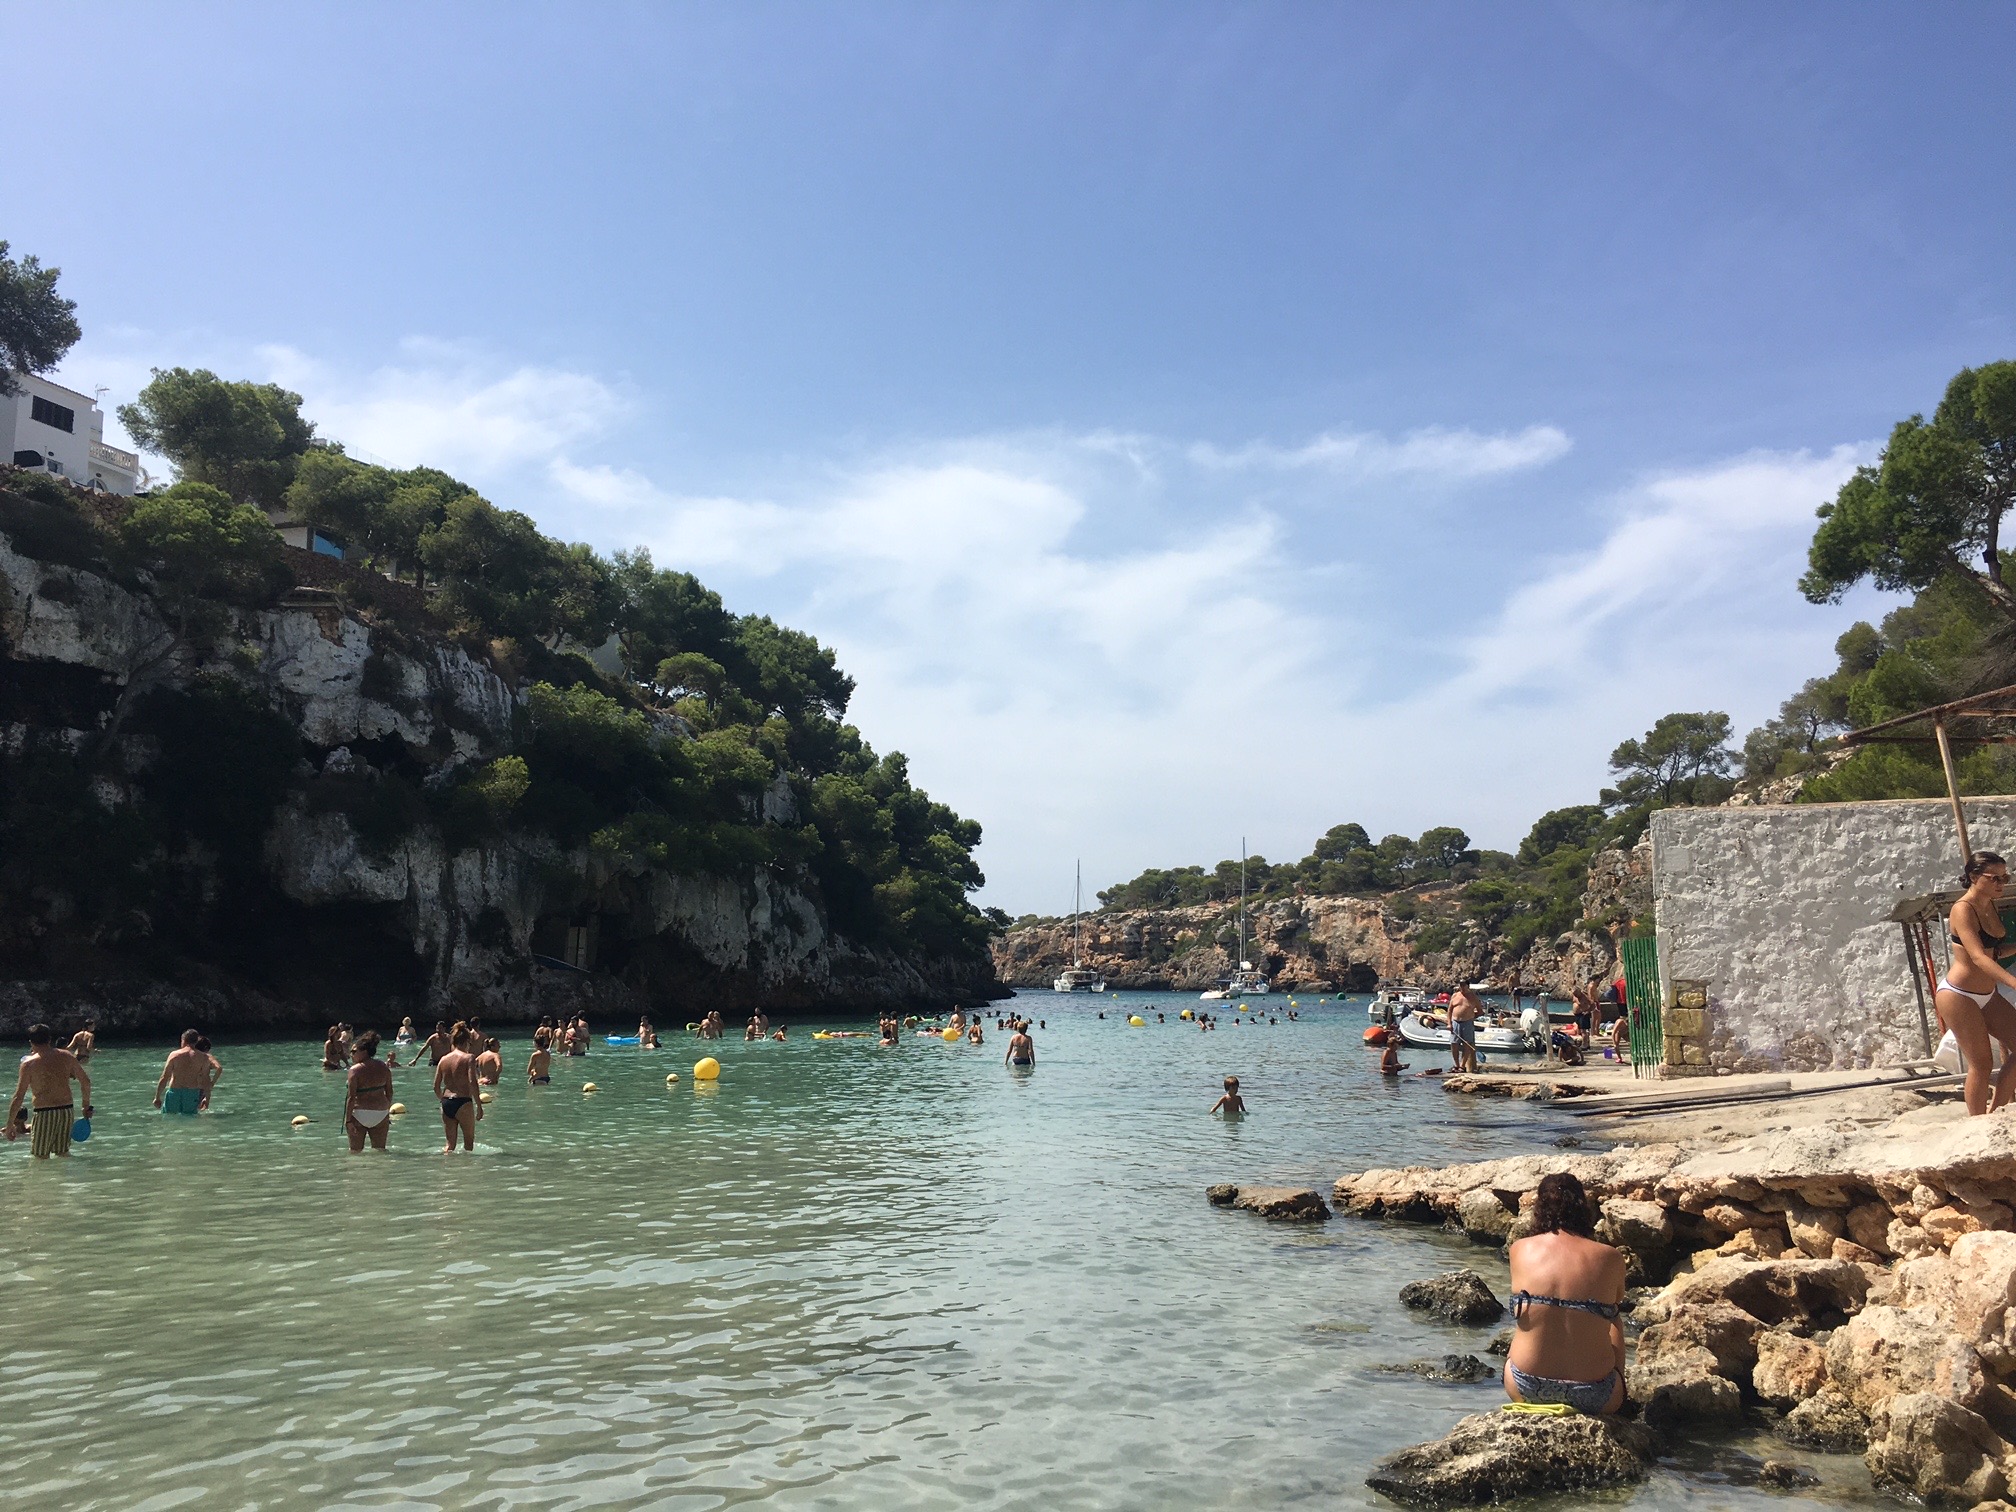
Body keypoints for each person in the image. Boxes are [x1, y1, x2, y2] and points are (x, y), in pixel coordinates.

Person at [1503, 1172, 1627, 1414]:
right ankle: (1620, 1389)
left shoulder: (1519, 1249)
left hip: (1525, 1386)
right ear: (1583, 1209)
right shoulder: (1610, 1256)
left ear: (1539, 1208)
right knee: (1613, 1318)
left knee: (1526, 1313)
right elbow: (1616, 1301)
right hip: (1597, 1392)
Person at [1937, 851, 2016, 1115]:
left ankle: (1997, 1114)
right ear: (1973, 877)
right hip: (1959, 995)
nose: (2001, 883)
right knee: (1981, 1064)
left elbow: (1994, 951)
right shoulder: (1963, 909)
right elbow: (1978, 958)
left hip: (1986, 993)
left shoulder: (1989, 904)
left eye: (2005, 877)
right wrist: (2013, 983)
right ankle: (1976, 1124)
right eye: (1995, 878)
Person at [9, 1024, 91, 1160]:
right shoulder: (67, 1056)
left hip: (43, 1112)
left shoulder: (28, 1064)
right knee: (63, 1154)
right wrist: (86, 1106)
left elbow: (19, 1096)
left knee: (40, 1157)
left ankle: (43, 1181)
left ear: (31, 1042)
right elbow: (86, 1082)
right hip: (66, 1111)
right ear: (49, 1039)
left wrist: (10, 1123)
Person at [434, 1027, 484, 1152]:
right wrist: (479, 1105)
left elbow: (436, 1086)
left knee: (449, 1146)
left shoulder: (443, 1059)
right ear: (467, 1042)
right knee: (468, 1144)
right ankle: (466, 1171)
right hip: (463, 1102)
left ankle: (447, 1168)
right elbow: (472, 1082)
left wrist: (443, 1100)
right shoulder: (469, 1058)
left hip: (446, 1102)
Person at [345, 1031, 396, 1153]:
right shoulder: (384, 1067)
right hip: (381, 1112)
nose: (350, 1055)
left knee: (355, 1152)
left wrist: (348, 1121)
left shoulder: (355, 1070)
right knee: (380, 1151)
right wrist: (386, 1111)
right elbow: (389, 1092)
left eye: (354, 1052)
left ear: (364, 1052)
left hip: (360, 1112)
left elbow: (351, 1097)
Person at [155, 1029, 210, 1115]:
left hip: (174, 1092)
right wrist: (207, 1098)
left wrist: (157, 1097)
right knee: (190, 1118)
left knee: (169, 1118)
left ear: (183, 1040)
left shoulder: (174, 1055)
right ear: (196, 1041)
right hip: (192, 1093)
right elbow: (206, 1080)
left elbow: (164, 1077)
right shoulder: (204, 1057)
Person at [1448, 983, 1483, 1073]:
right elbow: (1449, 1010)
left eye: (1464, 985)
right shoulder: (1455, 995)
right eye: (1460, 985)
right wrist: (1449, 1023)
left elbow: (1480, 1011)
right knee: (1454, 1044)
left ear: (1468, 986)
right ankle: (1456, 1065)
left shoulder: (1473, 997)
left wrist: (1471, 1016)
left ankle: (1462, 1066)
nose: (1462, 987)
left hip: (1467, 1022)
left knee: (1467, 1044)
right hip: (1455, 1022)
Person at [197, 1035, 222, 1109]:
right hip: (204, 1088)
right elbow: (219, 1068)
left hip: (190, 1088)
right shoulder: (208, 1057)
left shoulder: (191, 1057)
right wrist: (212, 1083)